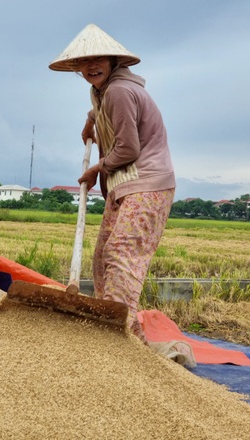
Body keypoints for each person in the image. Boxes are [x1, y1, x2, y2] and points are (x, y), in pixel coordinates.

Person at [50, 24, 176, 340]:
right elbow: (100, 106)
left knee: (121, 252)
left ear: (112, 61)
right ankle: (108, 327)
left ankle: (122, 333)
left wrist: (96, 169)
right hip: (123, 185)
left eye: (98, 60)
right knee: (103, 255)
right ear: (77, 68)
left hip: (146, 184)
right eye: (84, 62)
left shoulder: (120, 90)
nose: (91, 67)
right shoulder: (102, 91)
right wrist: (90, 120)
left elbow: (129, 148)